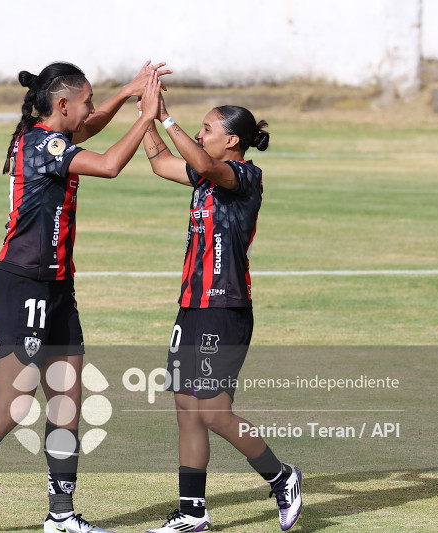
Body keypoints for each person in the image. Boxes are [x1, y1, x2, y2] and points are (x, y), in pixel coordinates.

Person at [0, 60, 168, 533]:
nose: (92, 110)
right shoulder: (41, 144)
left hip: (57, 286)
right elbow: (111, 165)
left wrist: (125, 94)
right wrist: (145, 115)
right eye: (87, 101)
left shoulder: (51, 135)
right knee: (12, 405)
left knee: (65, 402)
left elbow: (87, 126)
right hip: (23, 286)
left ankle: (61, 516)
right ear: (62, 104)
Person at [139, 96, 303, 532]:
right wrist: (147, 118)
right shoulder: (204, 174)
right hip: (192, 307)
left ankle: (281, 477)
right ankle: (192, 513)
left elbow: (209, 168)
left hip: (225, 308)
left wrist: (167, 118)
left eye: (207, 128)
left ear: (232, 140)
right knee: (186, 409)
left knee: (213, 411)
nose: (199, 133)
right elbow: (160, 163)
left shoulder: (243, 175)